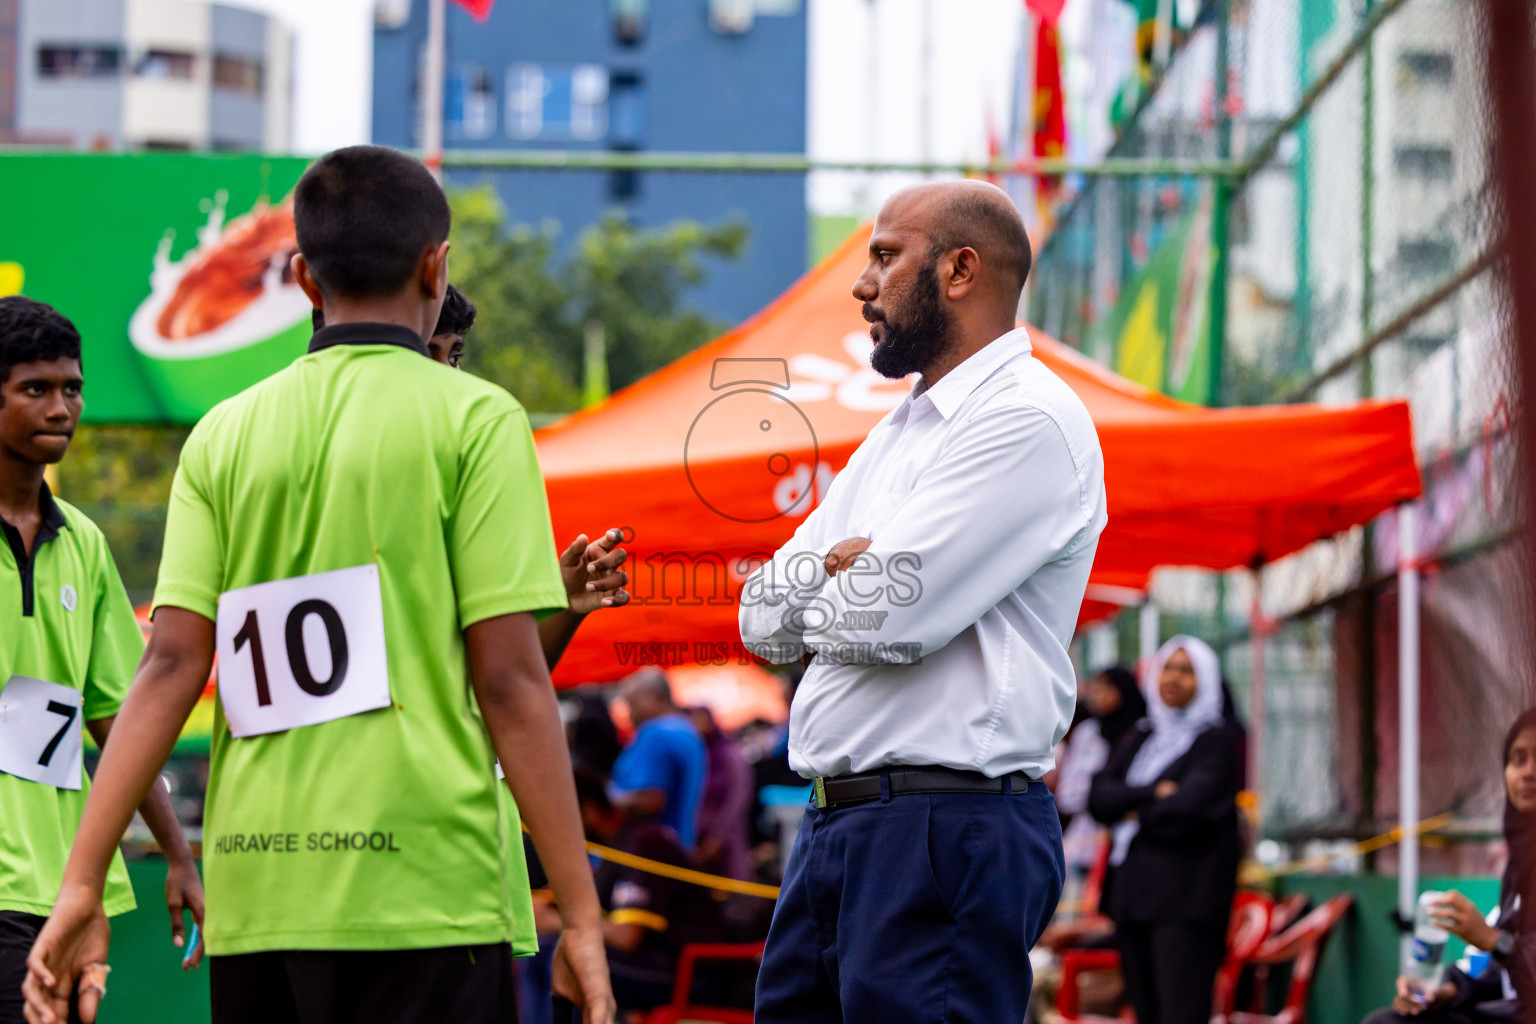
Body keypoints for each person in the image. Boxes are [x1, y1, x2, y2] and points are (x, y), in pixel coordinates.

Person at [21, 146, 615, 1024]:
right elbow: (510, 680)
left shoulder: (223, 434)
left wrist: (80, 880)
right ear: (435, 264)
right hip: (426, 892)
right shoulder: (478, 420)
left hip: (260, 895)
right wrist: (584, 918)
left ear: (302, 278)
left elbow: (169, 668)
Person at [739, 179, 1107, 1023]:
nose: (863, 284)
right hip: (842, 825)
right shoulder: (898, 433)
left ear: (961, 270)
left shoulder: (1029, 420)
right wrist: (843, 573)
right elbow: (759, 617)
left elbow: (881, 620)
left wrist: (828, 584)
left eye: (884, 255)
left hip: (945, 826)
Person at [0, 297, 205, 1024]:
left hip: (56, 894)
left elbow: (120, 717)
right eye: (35, 389)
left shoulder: (82, 543)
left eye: (73, 388)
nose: (62, 407)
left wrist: (179, 856)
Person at [1087, 636, 1242, 1024]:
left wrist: (1132, 807)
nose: (1173, 678)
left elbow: (1188, 811)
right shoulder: (1142, 735)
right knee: (1146, 1011)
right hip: (1133, 899)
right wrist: (1153, 792)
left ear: (1206, 680)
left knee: (1180, 1012)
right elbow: (1098, 799)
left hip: (1187, 903)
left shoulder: (1218, 740)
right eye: (1167, 668)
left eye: (1187, 671)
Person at [1360, 708, 1535, 1024]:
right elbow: (1502, 975)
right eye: (1517, 759)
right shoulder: (1522, 859)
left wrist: (1494, 940)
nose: (1528, 772)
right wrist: (1448, 989)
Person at [538, 770, 724, 1018]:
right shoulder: (619, 842)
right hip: (662, 962)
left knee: (559, 955)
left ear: (589, 811)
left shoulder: (642, 843)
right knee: (549, 949)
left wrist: (553, 921)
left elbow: (628, 936)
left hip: (692, 972)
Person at [609, 669, 707, 850]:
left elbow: (650, 800)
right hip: (679, 848)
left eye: (633, 704)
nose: (630, 714)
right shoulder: (687, 730)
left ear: (656, 699)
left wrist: (609, 800)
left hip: (650, 853)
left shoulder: (656, 733)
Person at [686, 706, 754, 881]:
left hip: (726, 838)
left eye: (701, 719)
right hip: (697, 839)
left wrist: (718, 837)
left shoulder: (729, 753)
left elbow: (738, 798)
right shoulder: (697, 752)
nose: (697, 725)